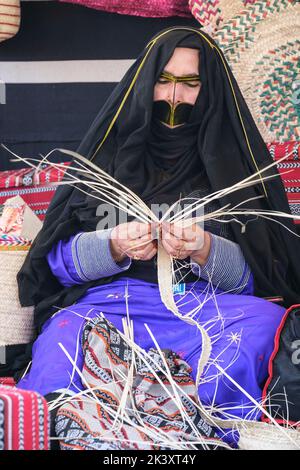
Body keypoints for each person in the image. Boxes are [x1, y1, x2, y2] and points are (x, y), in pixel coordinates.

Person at [16, 27, 300, 447]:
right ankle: (73, 426)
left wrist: (204, 249)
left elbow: (265, 277)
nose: (173, 97)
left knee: (265, 325)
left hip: (209, 309)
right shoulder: (104, 163)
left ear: (210, 92)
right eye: (164, 80)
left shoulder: (238, 172)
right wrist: (113, 246)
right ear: (145, 84)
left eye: (190, 84)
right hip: (112, 309)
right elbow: (54, 266)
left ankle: (202, 431)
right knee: (63, 334)